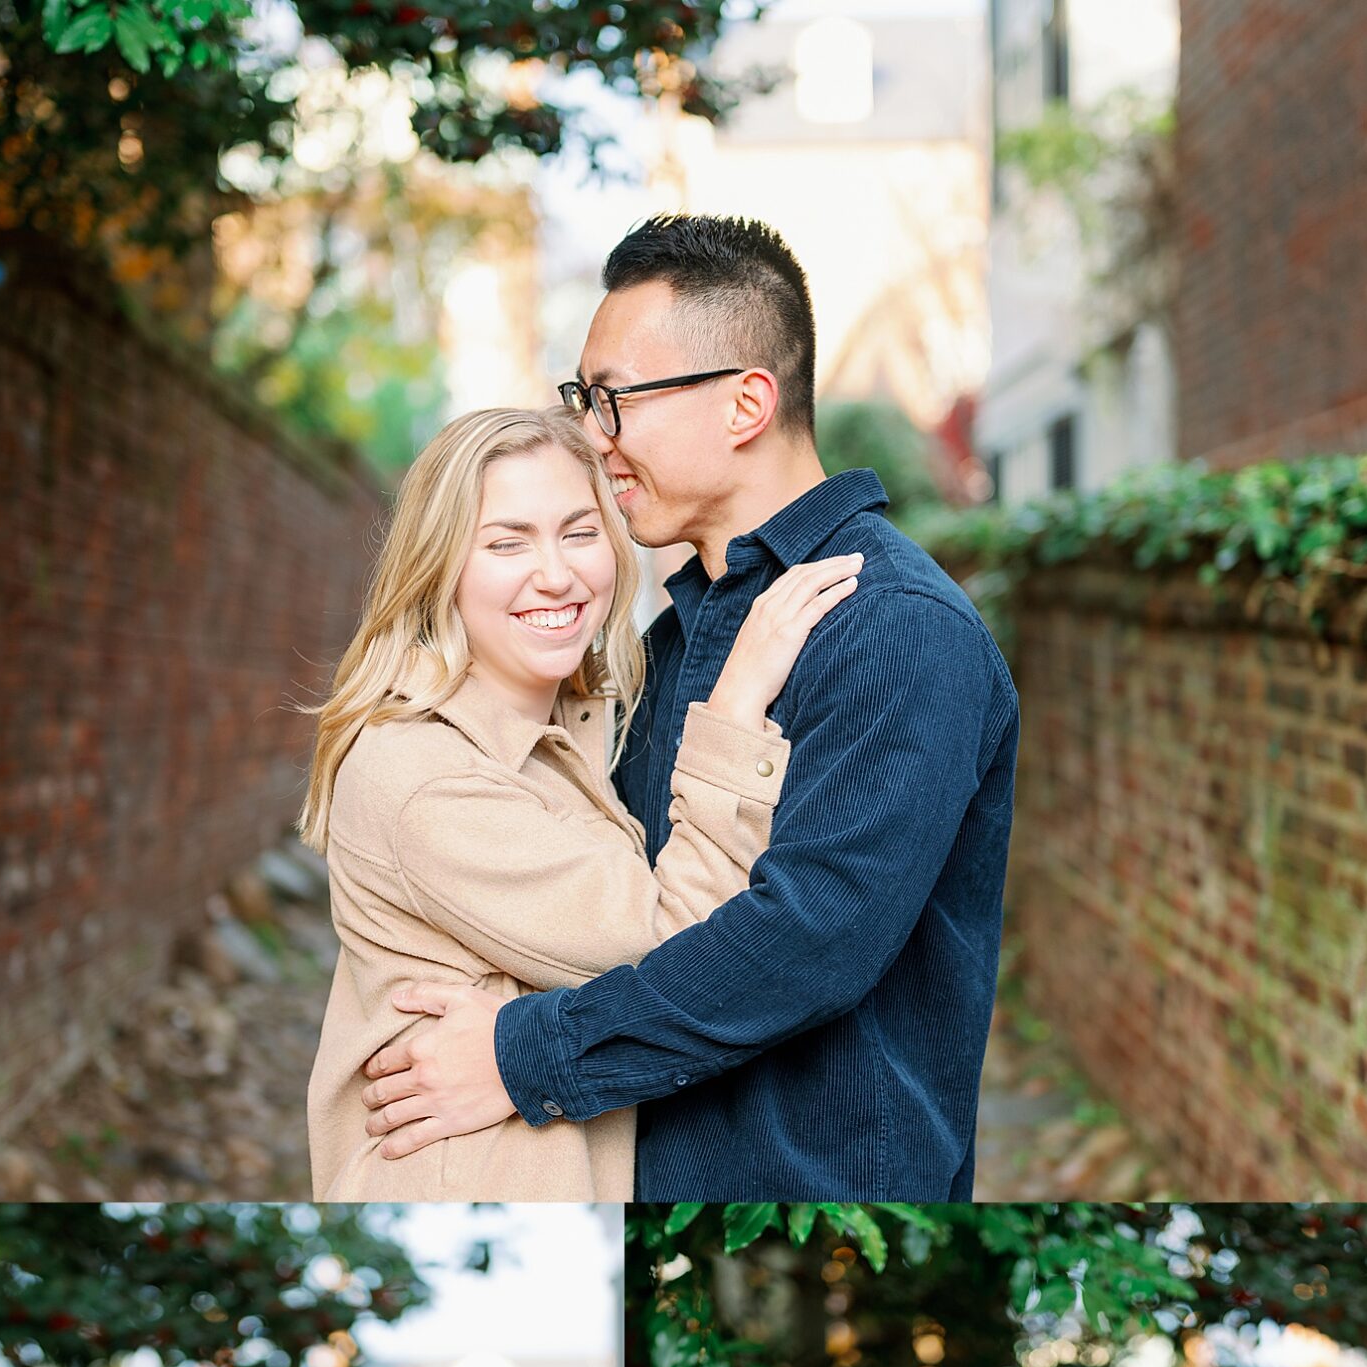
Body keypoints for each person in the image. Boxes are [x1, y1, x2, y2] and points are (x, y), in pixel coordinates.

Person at [358, 213, 1021, 1204]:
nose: (592, 435)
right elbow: (620, 898)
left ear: (746, 404)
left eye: (615, 400)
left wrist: (521, 1058)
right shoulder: (671, 639)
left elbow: (805, 946)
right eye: (583, 399)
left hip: (817, 1205)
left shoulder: (891, 626)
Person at [302, 402, 860, 1200]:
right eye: (505, 543)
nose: (556, 574)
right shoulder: (424, 774)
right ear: (439, 567)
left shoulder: (568, 725)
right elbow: (680, 947)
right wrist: (734, 705)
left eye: (578, 531)